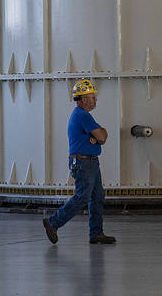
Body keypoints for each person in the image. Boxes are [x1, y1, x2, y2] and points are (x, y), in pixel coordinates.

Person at [41, 79, 116, 245]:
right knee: (83, 197)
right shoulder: (83, 116)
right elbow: (102, 137)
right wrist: (98, 135)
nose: (95, 100)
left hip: (90, 162)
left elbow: (101, 135)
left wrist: (97, 135)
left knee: (97, 197)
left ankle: (96, 233)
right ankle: (53, 222)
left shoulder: (84, 116)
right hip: (83, 163)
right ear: (82, 99)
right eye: (91, 97)